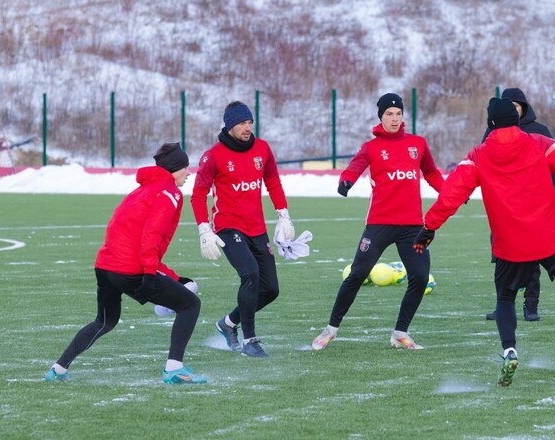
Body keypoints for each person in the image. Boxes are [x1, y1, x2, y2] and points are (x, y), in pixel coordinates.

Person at [413, 97, 555, 386]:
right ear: (516, 119)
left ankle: (509, 350)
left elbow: (451, 194)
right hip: (550, 236)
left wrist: (429, 227)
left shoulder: (478, 155)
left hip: (511, 243)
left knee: (505, 298)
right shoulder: (538, 142)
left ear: (490, 125)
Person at [44, 142, 206, 384]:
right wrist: (150, 275)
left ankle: (58, 369)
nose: (189, 172)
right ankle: (174, 369)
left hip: (106, 266)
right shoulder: (169, 192)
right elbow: (151, 237)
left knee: (104, 321)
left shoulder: (140, 191)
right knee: (190, 304)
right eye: (185, 167)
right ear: (174, 169)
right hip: (131, 269)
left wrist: (170, 276)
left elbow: (119, 230)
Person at [312, 92, 444, 351]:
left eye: (398, 114)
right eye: (389, 114)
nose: (394, 119)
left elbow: (430, 172)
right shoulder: (372, 147)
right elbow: (356, 165)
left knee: (419, 276)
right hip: (379, 225)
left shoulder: (417, 144)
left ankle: (400, 332)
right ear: (381, 117)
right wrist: (346, 180)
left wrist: (450, 192)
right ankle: (330, 330)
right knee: (357, 274)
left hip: (413, 228)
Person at [191, 101, 295, 358]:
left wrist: (283, 215)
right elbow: (198, 194)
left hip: (257, 228)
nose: (247, 127)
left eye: (249, 122)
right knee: (250, 274)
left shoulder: (262, 149)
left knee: (271, 289)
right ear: (229, 125)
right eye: (241, 123)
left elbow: (272, 180)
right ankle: (250, 340)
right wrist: (204, 230)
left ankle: (227, 324)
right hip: (228, 228)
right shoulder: (213, 155)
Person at [483, 88, 555, 322]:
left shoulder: (540, 132)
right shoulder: (492, 131)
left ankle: (531, 305)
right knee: (501, 260)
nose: (514, 110)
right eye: (510, 106)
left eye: (517, 106)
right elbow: (483, 166)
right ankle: (503, 305)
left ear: (523, 107)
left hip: (534, 208)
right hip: (504, 209)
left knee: (532, 259)